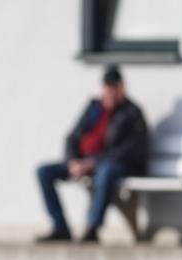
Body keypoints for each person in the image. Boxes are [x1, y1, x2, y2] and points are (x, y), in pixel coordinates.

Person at [36, 66, 149, 243]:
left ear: (122, 89)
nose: (110, 93)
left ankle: (92, 229)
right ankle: (60, 227)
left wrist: (92, 164)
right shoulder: (93, 108)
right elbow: (72, 137)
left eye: (114, 88)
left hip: (116, 164)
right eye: (107, 88)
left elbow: (128, 150)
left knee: (105, 172)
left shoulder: (132, 113)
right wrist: (73, 161)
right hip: (85, 162)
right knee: (44, 171)